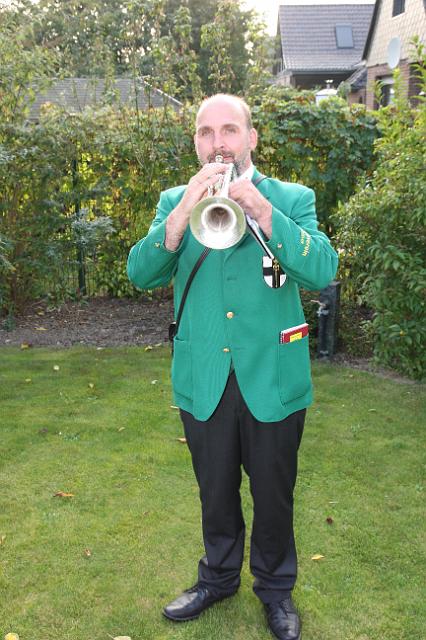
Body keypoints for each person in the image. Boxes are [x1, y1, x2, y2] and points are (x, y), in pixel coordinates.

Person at [127, 94, 338, 640]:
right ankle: (217, 578)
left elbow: (321, 269)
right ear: (196, 141)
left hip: (273, 374)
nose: (217, 143)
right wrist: (180, 215)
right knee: (214, 491)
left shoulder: (292, 198)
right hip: (205, 375)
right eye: (206, 132)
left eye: (229, 130)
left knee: (274, 493)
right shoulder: (174, 200)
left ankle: (275, 589)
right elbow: (141, 274)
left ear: (251, 137)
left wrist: (264, 212)